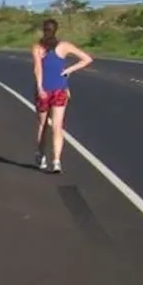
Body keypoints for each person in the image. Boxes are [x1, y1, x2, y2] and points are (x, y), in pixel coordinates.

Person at [32, 18, 94, 173]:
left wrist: (40, 88)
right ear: (56, 30)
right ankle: (57, 161)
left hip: (45, 90)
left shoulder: (38, 48)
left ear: (43, 30)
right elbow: (87, 59)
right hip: (60, 89)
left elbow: (37, 69)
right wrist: (68, 71)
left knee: (43, 125)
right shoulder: (64, 46)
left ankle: (41, 155)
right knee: (58, 127)